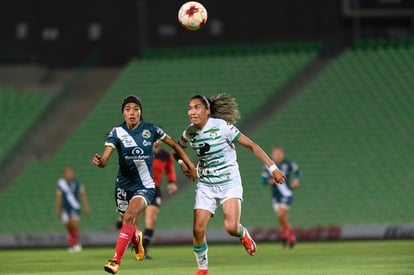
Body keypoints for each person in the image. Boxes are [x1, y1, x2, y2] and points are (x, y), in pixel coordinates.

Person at [177, 94, 286, 275]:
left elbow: (252, 146)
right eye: (189, 108)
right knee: (197, 228)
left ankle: (242, 234)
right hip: (206, 184)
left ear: (207, 110)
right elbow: (177, 150)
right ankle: (203, 269)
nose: (192, 112)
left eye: (197, 107)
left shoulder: (222, 127)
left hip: (229, 182)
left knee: (230, 227)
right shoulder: (189, 133)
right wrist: (184, 164)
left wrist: (273, 168)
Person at [92, 95, 196, 274]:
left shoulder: (151, 130)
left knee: (129, 216)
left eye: (135, 109)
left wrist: (189, 164)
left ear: (140, 112)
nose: (132, 112)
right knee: (128, 222)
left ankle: (116, 260)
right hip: (123, 187)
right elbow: (105, 161)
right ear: (123, 113)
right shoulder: (117, 132)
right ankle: (136, 239)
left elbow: (175, 146)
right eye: (127, 109)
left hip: (146, 186)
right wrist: (99, 161)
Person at [141, 141, 178, 259]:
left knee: (151, 218)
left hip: (154, 189)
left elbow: (170, 169)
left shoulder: (165, 155)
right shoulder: (143, 152)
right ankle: (122, 220)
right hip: (139, 187)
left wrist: (171, 182)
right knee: (132, 218)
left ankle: (143, 249)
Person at [261, 146, 301, 248]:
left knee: (280, 215)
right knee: (283, 217)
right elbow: (264, 181)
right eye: (276, 153)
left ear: (282, 154)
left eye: (280, 153)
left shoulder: (287, 164)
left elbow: (298, 171)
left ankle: (285, 233)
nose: (278, 155)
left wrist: (297, 180)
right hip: (276, 196)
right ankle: (290, 235)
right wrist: (274, 180)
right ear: (272, 154)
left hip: (287, 194)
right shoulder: (268, 166)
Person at [55, 167, 90, 252]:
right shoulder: (61, 183)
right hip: (65, 208)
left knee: (73, 224)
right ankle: (72, 244)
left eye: (70, 172)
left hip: (75, 207)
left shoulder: (77, 183)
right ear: (64, 174)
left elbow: (83, 195)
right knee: (68, 227)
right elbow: (58, 197)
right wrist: (58, 209)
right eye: (67, 173)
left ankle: (76, 243)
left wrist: (86, 206)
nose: (69, 174)